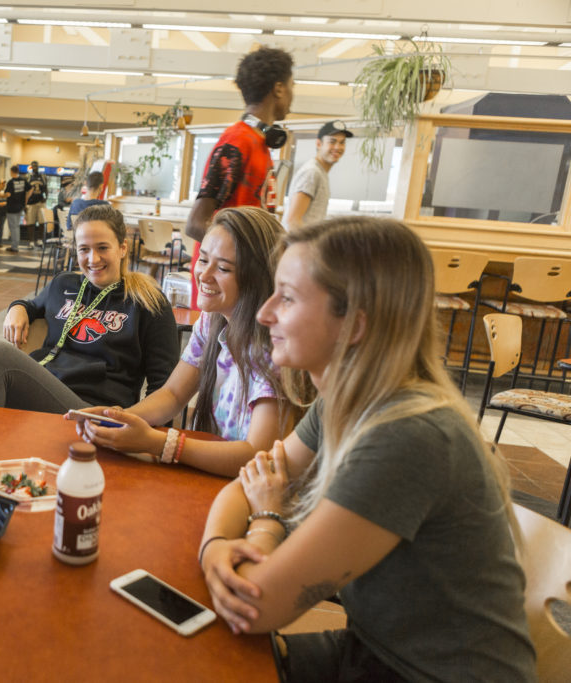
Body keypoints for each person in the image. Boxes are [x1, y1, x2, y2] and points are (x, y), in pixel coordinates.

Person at [198, 217, 535, 681]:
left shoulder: (408, 435)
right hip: (372, 650)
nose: (264, 312)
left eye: (288, 298)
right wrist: (215, 545)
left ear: (355, 324)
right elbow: (246, 485)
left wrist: (267, 517)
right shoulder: (342, 401)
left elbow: (255, 606)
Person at [73, 208, 300, 477]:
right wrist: (119, 420)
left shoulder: (275, 347)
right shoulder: (212, 320)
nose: (203, 275)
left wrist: (161, 444)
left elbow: (258, 457)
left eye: (224, 268)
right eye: (203, 260)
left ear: (259, 276)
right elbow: (174, 394)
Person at [0, 204, 178, 413]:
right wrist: (17, 307)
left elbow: (165, 385)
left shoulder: (147, 301)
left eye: (103, 247)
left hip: (89, 406)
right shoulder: (63, 284)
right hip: (42, 382)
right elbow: (32, 305)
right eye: (84, 249)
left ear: (122, 248)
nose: (93, 259)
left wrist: (143, 434)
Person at [185, 46, 294, 310]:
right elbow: (196, 222)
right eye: (292, 85)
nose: (292, 94)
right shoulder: (237, 142)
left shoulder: (258, 143)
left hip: (245, 282)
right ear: (279, 88)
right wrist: (243, 257)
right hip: (225, 286)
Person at [283, 120, 352, 230]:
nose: (337, 147)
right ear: (319, 144)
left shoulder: (320, 172)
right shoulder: (312, 172)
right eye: (332, 142)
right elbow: (293, 221)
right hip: (300, 245)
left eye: (342, 142)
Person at [2, 164, 26, 253]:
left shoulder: (11, 182)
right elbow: (30, 189)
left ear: (12, 172)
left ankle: (14, 247)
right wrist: (25, 201)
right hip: (20, 207)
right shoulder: (23, 181)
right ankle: (16, 245)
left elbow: (7, 194)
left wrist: (2, 195)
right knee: (16, 226)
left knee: (13, 227)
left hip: (11, 208)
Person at [24, 160, 47, 247]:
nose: (34, 167)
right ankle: (31, 241)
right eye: (33, 166)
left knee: (42, 222)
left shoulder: (42, 176)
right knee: (31, 222)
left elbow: (46, 188)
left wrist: (46, 198)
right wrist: (25, 204)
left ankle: (40, 240)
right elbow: (25, 191)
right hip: (31, 203)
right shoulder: (28, 177)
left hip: (41, 202)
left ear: (38, 166)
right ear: (31, 167)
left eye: (36, 166)